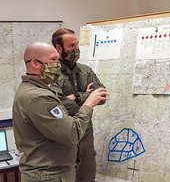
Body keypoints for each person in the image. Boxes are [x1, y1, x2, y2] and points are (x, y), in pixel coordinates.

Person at [12, 42, 108, 181]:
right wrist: (88, 103)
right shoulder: (38, 97)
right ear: (35, 63)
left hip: (53, 173)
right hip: (49, 176)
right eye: (53, 60)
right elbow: (72, 133)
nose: (58, 65)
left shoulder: (37, 90)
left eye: (58, 60)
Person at [51, 28, 105, 182]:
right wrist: (89, 98)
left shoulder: (85, 70)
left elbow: (102, 96)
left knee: (87, 177)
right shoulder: (50, 74)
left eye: (77, 44)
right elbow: (58, 106)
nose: (76, 49)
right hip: (64, 137)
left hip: (86, 136)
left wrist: (76, 96)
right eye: (71, 46)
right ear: (58, 48)